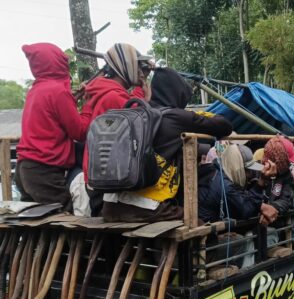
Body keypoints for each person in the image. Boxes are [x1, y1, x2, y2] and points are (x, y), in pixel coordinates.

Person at [101, 67, 233, 222]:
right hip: (144, 207)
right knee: (199, 224)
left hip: (110, 204)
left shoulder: (137, 113)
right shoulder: (176, 116)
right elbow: (224, 125)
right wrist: (195, 114)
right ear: (177, 93)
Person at [71, 43, 153, 216]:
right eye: (137, 65)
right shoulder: (114, 96)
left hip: (99, 175)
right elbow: (135, 124)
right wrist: (145, 96)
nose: (140, 71)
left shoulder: (105, 90)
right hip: (107, 180)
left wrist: (140, 84)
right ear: (126, 65)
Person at [15, 43, 93, 211]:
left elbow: (52, 117)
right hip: (43, 172)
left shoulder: (36, 90)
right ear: (56, 63)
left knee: (36, 225)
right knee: (65, 220)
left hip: (25, 169)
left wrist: (71, 101)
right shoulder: (58, 91)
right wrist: (88, 105)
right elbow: (79, 132)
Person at [198, 144, 263, 223]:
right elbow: (246, 210)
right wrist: (259, 186)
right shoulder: (225, 187)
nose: (250, 175)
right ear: (237, 167)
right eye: (247, 170)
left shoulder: (216, 170)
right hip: (206, 232)